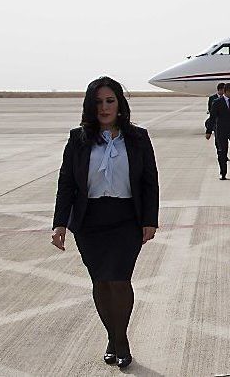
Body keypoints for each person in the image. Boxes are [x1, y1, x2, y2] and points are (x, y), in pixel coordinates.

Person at [51, 76, 159, 369]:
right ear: (90, 106)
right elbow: (67, 183)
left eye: (110, 100)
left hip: (126, 220)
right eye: (98, 102)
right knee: (100, 282)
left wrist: (150, 219)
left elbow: (150, 182)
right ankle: (113, 336)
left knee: (120, 281)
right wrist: (60, 223)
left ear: (120, 104)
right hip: (90, 223)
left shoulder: (138, 138)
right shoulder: (78, 139)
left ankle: (120, 340)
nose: (104, 107)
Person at [207, 83, 230, 179]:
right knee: (222, 152)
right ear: (226, 92)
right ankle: (223, 172)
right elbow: (212, 117)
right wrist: (209, 131)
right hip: (222, 130)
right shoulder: (217, 102)